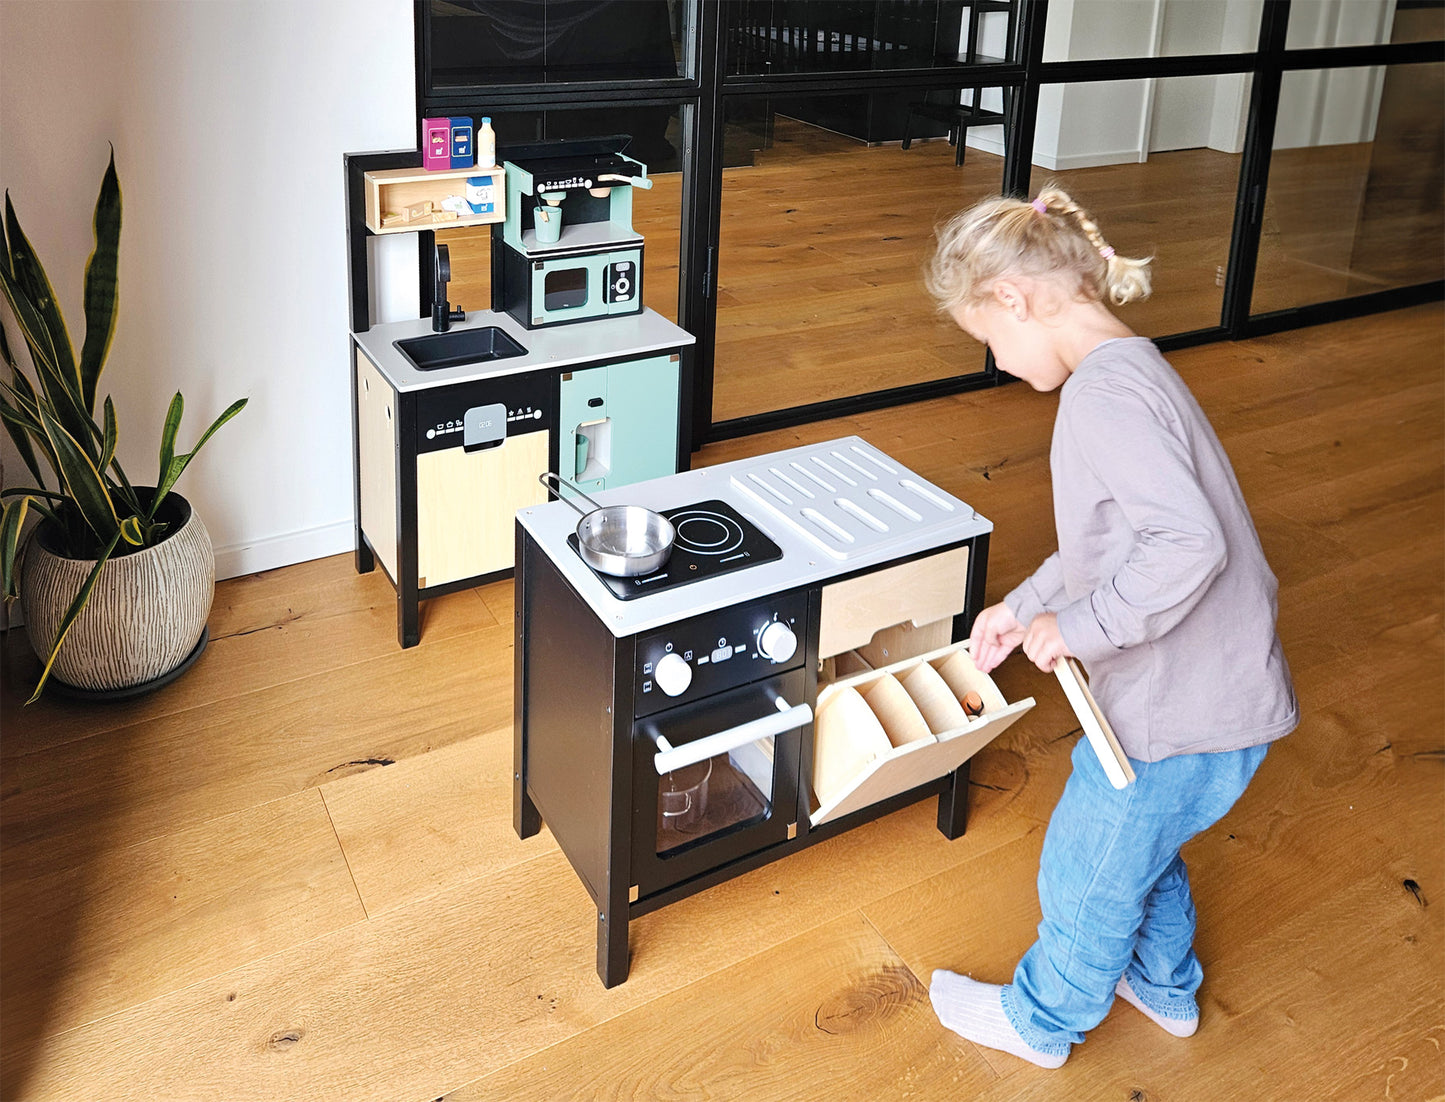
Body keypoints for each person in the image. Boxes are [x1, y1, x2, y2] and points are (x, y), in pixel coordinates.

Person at [923, 187, 1299, 1069]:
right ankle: (1162, 987)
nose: (997, 362)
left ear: (1013, 299)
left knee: (1087, 868)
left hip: (1179, 712)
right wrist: (1022, 608)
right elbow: (1109, 538)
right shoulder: (1132, 367)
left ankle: (1042, 1020)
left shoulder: (1101, 400)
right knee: (1146, 851)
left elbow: (1184, 542)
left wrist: (1081, 626)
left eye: (988, 341)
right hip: (1213, 697)